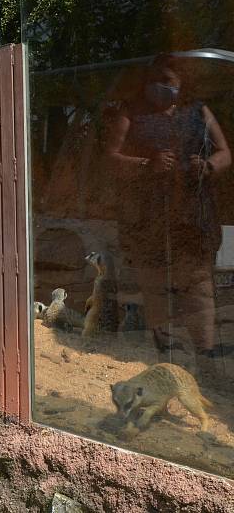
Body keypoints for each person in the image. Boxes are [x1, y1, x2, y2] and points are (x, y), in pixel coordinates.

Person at [105, 54, 230, 370]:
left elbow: (225, 152)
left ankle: (206, 353)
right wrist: (148, 164)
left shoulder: (197, 110)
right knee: (155, 280)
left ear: (181, 82)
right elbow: (111, 157)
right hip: (149, 213)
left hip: (193, 211)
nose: (162, 87)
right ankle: (164, 350)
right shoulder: (132, 112)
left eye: (169, 81)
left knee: (199, 281)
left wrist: (209, 166)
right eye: (156, 80)